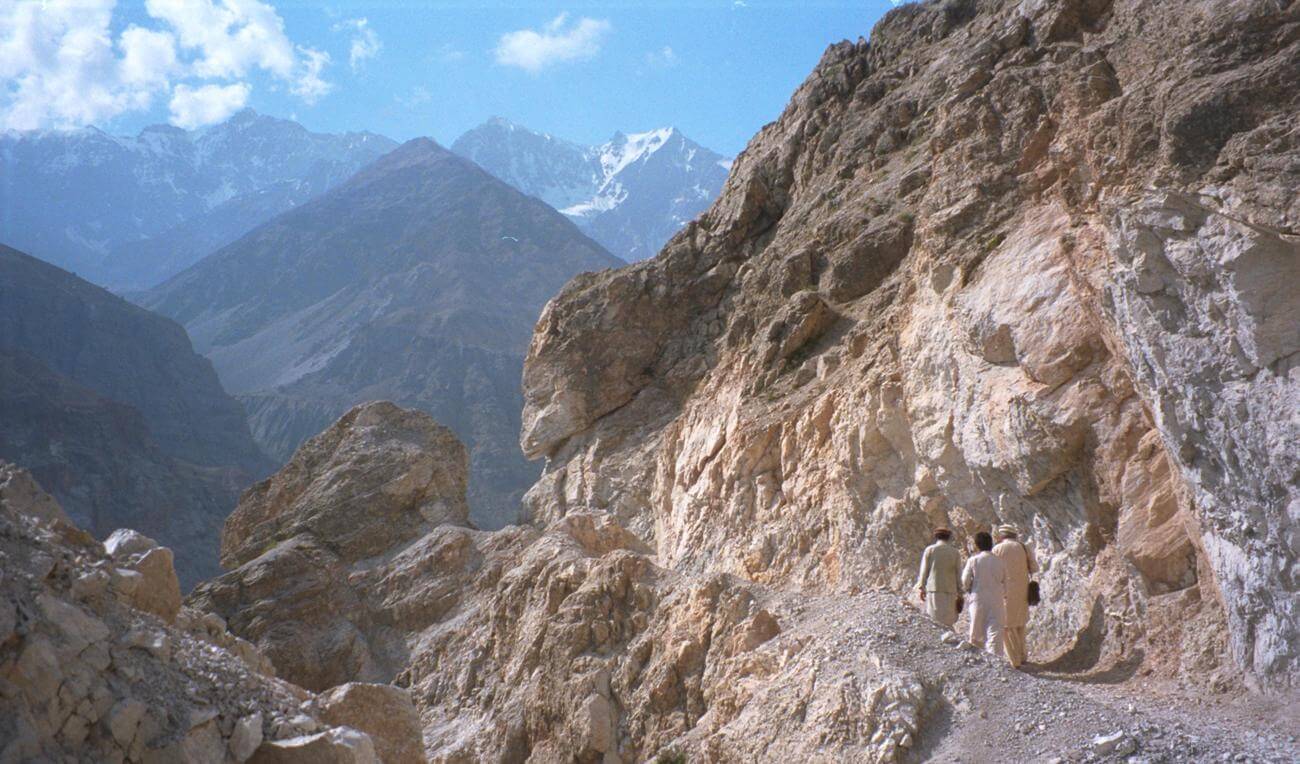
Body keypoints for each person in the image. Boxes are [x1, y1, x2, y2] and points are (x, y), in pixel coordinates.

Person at [993, 524, 1038, 668]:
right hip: (1023, 590)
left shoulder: (997, 549)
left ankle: (1015, 661)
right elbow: (1034, 568)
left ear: (1001, 536)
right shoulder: (1023, 547)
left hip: (1005, 592)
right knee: (1020, 624)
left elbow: (993, 572)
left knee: (1007, 626)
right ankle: (1023, 656)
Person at [962, 531, 1006, 658]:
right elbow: (1005, 580)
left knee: (976, 631)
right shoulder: (999, 561)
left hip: (978, 597)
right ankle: (996, 660)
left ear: (977, 545)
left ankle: (977, 660)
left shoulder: (973, 560)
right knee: (995, 630)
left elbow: (964, 581)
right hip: (996, 598)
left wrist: (969, 589)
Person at [915, 528, 962, 628]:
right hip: (950, 590)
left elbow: (924, 571)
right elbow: (958, 574)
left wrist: (921, 587)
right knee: (948, 622)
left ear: (936, 537)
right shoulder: (955, 552)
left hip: (934, 589)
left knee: (935, 621)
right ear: (949, 537)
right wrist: (960, 592)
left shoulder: (930, 550)